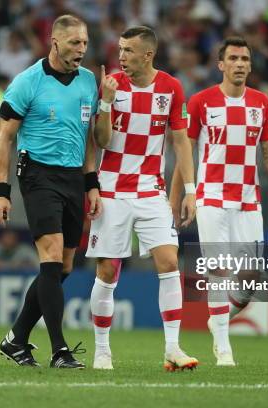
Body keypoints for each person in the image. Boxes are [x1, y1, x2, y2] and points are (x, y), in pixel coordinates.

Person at [176, 36, 268, 366]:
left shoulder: (262, 103)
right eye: (234, 58)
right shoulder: (201, 101)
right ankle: (223, 348)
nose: (240, 64)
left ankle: (220, 318)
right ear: (221, 65)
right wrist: (185, 194)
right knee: (217, 270)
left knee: (252, 275)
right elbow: (184, 152)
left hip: (248, 200)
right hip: (211, 196)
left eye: (245, 59)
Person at [0, 15, 101, 369]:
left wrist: (92, 183)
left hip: (72, 178)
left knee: (63, 266)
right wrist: (1, 191)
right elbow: (5, 138)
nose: (81, 50)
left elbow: (88, 139)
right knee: (51, 256)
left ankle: (17, 337)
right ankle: (59, 350)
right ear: (55, 42)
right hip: (37, 174)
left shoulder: (88, 82)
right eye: (74, 43)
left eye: (84, 43)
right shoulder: (28, 81)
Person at [87, 26, 199, 371]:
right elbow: (102, 141)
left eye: (128, 50)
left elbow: (181, 141)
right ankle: (102, 351)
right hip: (112, 189)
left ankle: (172, 348)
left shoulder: (171, 87)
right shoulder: (111, 85)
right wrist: (105, 102)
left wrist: (190, 191)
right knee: (107, 271)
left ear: (148, 54)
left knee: (169, 262)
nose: (121, 56)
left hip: (151, 190)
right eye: (120, 49)